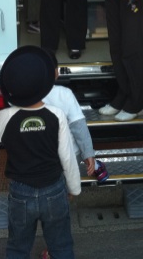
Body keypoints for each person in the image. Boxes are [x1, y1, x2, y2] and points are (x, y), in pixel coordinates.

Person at [0, 46, 81, 259]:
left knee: (18, 248)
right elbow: (67, 157)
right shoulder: (56, 116)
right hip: (54, 190)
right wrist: (74, 187)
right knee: (61, 245)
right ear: (46, 85)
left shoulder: (5, 117)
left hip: (21, 193)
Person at [43, 49, 109, 183]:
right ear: (57, 72)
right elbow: (78, 127)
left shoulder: (26, 98)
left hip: (41, 157)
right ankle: (95, 166)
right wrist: (88, 154)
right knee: (69, 185)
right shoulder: (65, 94)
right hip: (69, 155)